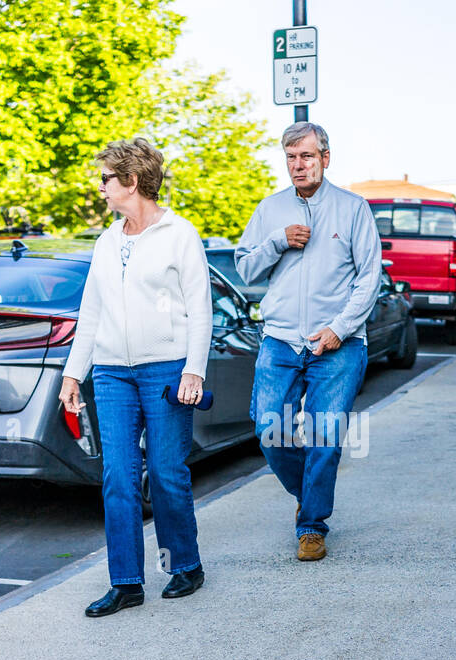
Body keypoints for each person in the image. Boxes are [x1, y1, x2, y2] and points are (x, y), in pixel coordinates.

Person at [58, 137, 212, 617]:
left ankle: (185, 565)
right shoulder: (107, 240)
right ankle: (126, 582)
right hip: (111, 373)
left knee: (166, 474)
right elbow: (92, 311)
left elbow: (200, 309)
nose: (100, 187)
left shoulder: (179, 234)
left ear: (131, 180)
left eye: (106, 178)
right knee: (118, 478)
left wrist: (194, 370)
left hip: (166, 369)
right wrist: (72, 375)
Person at [235, 122, 380, 562]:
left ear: (325, 158)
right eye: (291, 158)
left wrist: (340, 328)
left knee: (325, 434)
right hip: (279, 339)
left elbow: (369, 277)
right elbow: (244, 269)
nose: (298, 165)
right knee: (267, 429)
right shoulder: (270, 209)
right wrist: (278, 242)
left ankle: (312, 525)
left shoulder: (353, 209)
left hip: (337, 342)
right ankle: (309, 493)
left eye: (307, 157)